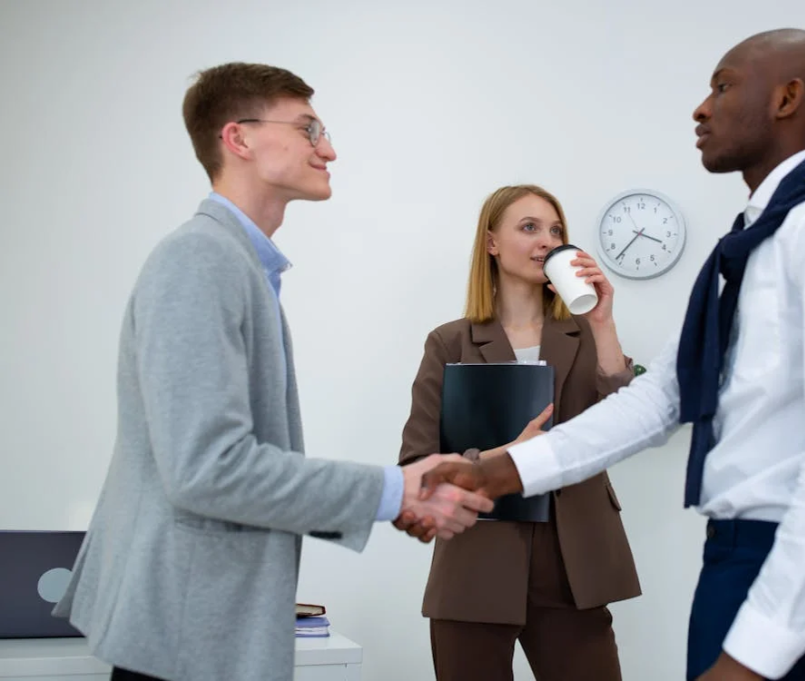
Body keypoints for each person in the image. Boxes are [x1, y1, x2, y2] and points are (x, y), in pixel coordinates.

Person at [419, 29, 805, 681]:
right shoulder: (746, 246)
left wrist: (751, 657)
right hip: (738, 555)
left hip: (802, 558)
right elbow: (660, 398)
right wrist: (500, 470)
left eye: (721, 86)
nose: (700, 107)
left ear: (787, 98)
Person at [52, 62, 492, 681]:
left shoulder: (239, 266)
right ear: (240, 139)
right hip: (185, 636)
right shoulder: (198, 260)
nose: (330, 148)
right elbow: (208, 469)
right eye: (310, 129)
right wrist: (394, 493)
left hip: (205, 629)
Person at [398, 184, 642, 681]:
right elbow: (416, 465)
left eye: (555, 231)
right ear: (491, 243)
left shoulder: (588, 335)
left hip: (573, 560)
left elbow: (627, 419)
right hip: (477, 561)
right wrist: (509, 455)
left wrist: (602, 322)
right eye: (529, 228)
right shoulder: (450, 341)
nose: (546, 241)